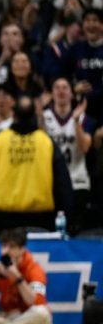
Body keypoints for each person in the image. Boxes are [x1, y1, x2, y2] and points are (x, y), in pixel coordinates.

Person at [0, 96, 74, 235]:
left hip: (0, 221)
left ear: (13, 115)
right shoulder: (46, 143)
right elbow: (62, 183)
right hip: (39, 220)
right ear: (35, 115)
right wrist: (65, 214)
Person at [42, 77, 95, 234]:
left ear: (72, 94)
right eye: (57, 87)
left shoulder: (84, 118)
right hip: (51, 182)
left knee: (75, 231)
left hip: (77, 181)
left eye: (65, 87)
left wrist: (76, 121)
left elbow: (85, 147)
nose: (61, 91)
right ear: (51, 94)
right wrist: (38, 117)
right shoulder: (43, 117)